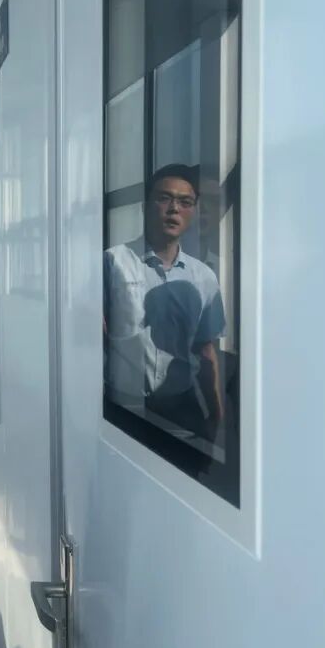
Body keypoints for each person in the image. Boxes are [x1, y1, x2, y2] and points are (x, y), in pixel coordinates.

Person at [104, 163, 226, 442]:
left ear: (193, 211)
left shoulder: (203, 277)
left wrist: (217, 413)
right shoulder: (113, 262)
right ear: (145, 206)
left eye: (185, 202)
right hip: (122, 404)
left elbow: (206, 351)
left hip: (182, 406)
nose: (174, 209)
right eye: (164, 198)